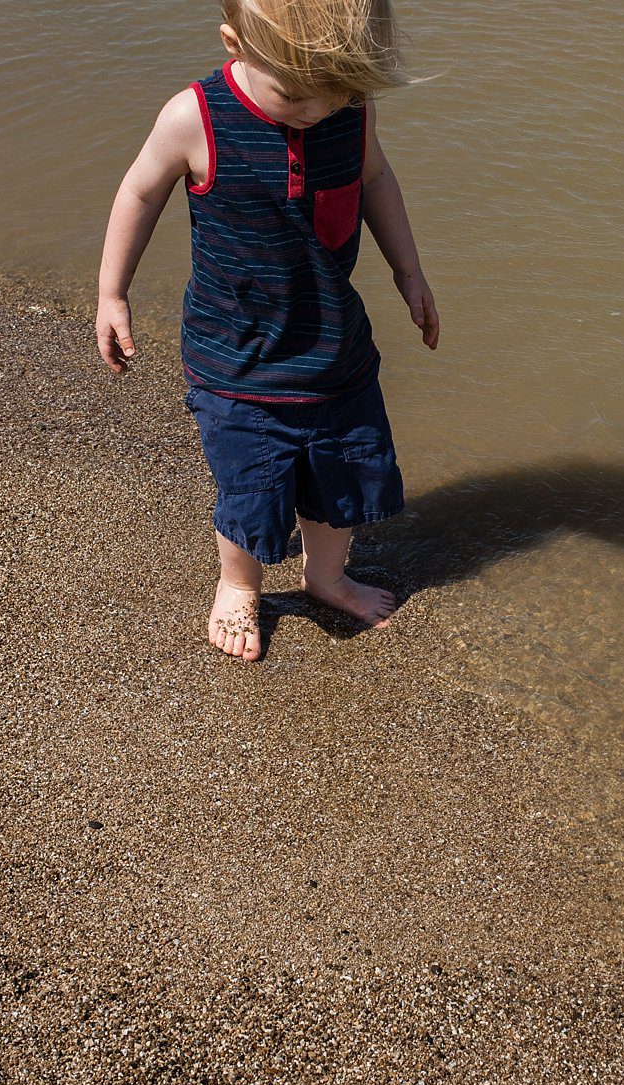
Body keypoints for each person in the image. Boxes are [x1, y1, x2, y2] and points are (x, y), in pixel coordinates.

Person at [95, 0, 439, 662]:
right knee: (253, 486)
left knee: (338, 474)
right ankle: (238, 583)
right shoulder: (194, 118)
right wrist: (112, 292)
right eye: (295, 94)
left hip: (335, 349)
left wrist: (409, 271)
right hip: (237, 360)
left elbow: (375, 181)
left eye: (334, 91)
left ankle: (325, 575)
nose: (315, 110)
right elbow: (139, 193)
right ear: (234, 44)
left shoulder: (348, 108)